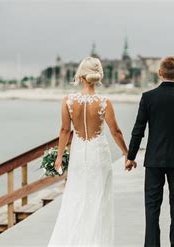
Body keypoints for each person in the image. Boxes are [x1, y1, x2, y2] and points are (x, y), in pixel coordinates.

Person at [48, 57, 129, 246]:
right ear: (97, 76)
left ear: (81, 76)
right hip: (98, 154)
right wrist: (126, 153)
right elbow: (115, 131)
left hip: (78, 155)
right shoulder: (104, 101)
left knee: (75, 197)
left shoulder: (68, 100)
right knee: (99, 201)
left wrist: (59, 157)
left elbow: (64, 131)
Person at [126, 56, 174, 247]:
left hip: (154, 160)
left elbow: (138, 130)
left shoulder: (148, 97)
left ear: (160, 73)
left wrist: (131, 156)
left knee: (152, 208)